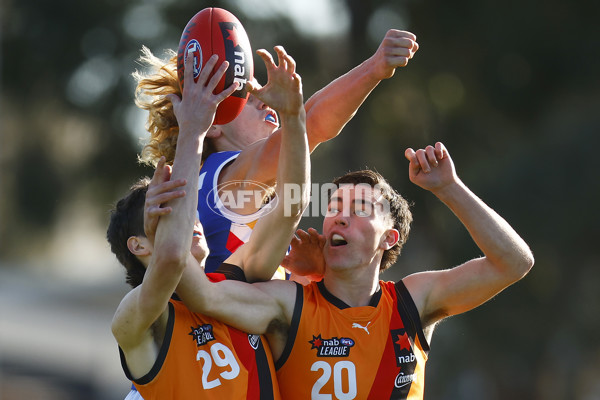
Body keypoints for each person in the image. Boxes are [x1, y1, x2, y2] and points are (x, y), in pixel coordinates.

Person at [173, 142, 535, 399]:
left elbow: (514, 263)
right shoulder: (288, 303)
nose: (340, 216)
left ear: (388, 238)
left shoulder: (412, 302)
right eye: (334, 206)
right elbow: (202, 295)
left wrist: (449, 188)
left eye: (360, 207)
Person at [108, 44, 310, 399]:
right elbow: (170, 258)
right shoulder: (137, 318)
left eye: (186, 209)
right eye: (167, 211)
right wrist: (194, 129)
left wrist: (294, 118)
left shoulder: (236, 287)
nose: (191, 219)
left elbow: (291, 208)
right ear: (140, 243)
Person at [134, 29, 419, 275]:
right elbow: (314, 122)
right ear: (213, 124)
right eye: (245, 98)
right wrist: (375, 67)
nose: (262, 102)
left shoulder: (214, 183)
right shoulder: (229, 172)